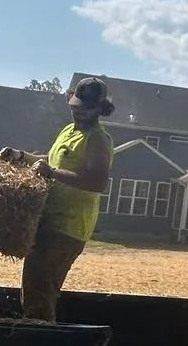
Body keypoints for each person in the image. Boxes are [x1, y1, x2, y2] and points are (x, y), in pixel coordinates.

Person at [20, 77, 116, 320]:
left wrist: (51, 173)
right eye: (75, 107)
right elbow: (52, 161)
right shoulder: (69, 130)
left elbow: (96, 181)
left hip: (68, 227)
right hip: (49, 221)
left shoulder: (97, 139)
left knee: (39, 292)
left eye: (85, 109)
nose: (78, 113)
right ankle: (37, 338)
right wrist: (22, 157)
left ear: (99, 109)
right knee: (33, 289)